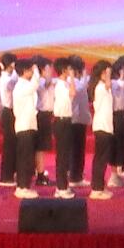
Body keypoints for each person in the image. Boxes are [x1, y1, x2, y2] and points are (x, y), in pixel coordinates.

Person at [12, 59, 40, 199]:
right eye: (30, 70)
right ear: (24, 71)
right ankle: (22, 187)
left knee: (28, 158)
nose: (32, 72)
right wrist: (36, 70)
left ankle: (25, 185)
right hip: (24, 127)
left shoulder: (25, 85)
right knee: (25, 159)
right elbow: (35, 84)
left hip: (28, 126)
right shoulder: (22, 86)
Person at [89, 60, 115, 200]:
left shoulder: (104, 87)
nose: (108, 75)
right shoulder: (100, 87)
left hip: (105, 127)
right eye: (106, 72)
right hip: (102, 127)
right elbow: (108, 85)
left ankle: (99, 186)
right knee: (100, 159)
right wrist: (108, 75)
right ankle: (96, 189)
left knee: (102, 159)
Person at [52, 58, 77, 199]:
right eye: (69, 69)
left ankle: (63, 186)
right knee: (62, 156)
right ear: (63, 70)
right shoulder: (60, 85)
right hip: (61, 121)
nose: (71, 71)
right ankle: (61, 187)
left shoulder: (65, 84)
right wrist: (72, 78)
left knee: (65, 156)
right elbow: (73, 93)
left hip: (66, 120)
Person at [109, 56, 124, 188]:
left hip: (122, 113)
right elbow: (118, 87)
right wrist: (122, 78)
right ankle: (113, 175)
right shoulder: (114, 82)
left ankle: (117, 174)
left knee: (122, 144)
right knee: (116, 144)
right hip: (116, 114)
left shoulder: (123, 81)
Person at [68, 56, 92, 188]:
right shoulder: (72, 82)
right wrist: (84, 75)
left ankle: (77, 175)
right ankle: (75, 177)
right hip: (74, 119)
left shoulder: (78, 81)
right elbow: (81, 88)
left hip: (79, 119)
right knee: (76, 150)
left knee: (78, 150)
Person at [0, 52, 18, 188]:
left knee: (12, 145)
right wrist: (16, 70)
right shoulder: (6, 78)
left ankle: (12, 172)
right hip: (7, 113)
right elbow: (14, 82)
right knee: (9, 146)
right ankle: (6, 177)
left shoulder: (8, 76)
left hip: (11, 112)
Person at [33, 56, 55, 186]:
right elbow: (46, 83)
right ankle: (40, 174)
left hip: (47, 115)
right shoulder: (40, 81)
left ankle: (39, 172)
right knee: (40, 147)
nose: (51, 70)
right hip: (41, 115)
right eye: (48, 68)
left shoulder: (48, 81)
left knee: (42, 147)